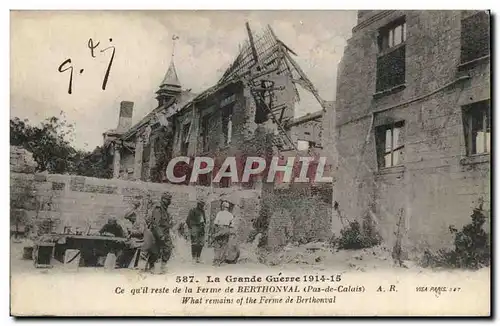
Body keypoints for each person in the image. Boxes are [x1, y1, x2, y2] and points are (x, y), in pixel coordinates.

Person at [144, 193, 174, 274]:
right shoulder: (158, 209)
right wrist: (160, 235)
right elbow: (155, 224)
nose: (169, 201)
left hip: (165, 232)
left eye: (170, 199)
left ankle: (163, 266)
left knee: (168, 248)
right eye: (168, 200)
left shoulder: (165, 209)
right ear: (164, 199)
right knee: (155, 251)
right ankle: (152, 266)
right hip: (157, 233)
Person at [212, 201, 235, 266]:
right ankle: (220, 261)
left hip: (220, 228)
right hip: (226, 229)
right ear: (227, 208)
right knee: (224, 246)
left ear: (223, 207)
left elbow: (215, 222)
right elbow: (232, 225)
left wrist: (216, 231)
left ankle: (216, 260)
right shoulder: (230, 215)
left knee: (217, 245)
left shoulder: (219, 213)